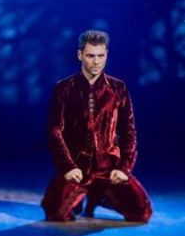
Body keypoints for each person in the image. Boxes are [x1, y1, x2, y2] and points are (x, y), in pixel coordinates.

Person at [41, 30, 152, 223]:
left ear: (106, 55)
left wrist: (124, 168)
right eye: (90, 56)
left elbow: (128, 131)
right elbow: (54, 131)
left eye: (101, 56)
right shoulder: (63, 89)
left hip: (108, 167)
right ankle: (80, 196)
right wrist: (67, 166)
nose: (96, 62)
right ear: (80, 55)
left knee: (141, 213)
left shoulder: (118, 88)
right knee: (55, 213)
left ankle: (99, 195)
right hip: (77, 167)